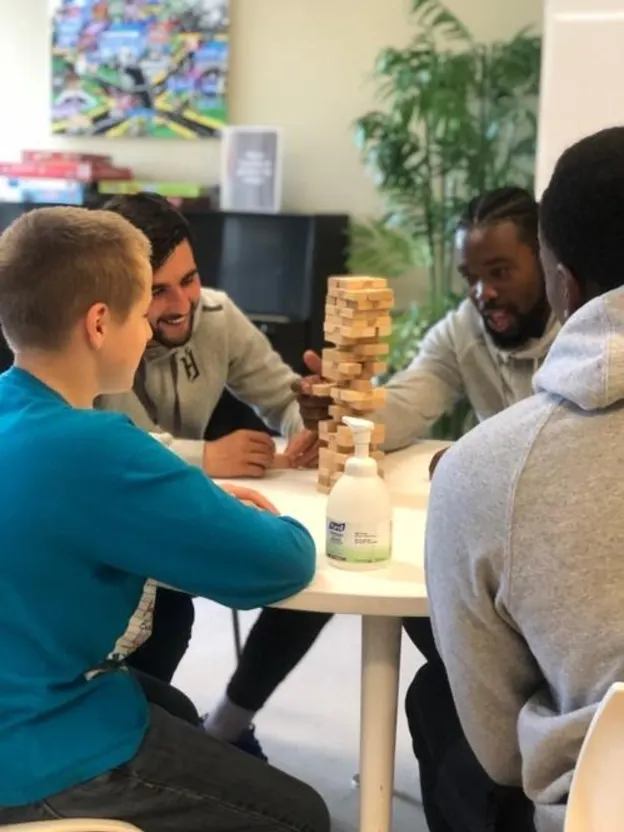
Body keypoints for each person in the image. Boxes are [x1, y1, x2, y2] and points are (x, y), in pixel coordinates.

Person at [101, 188, 558, 765]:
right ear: (112, 300)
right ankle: (143, 751)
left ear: (549, 266)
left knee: (315, 558)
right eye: (156, 291)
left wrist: (326, 411)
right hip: (126, 532)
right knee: (193, 604)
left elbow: (294, 400)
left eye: (187, 281)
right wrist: (211, 454)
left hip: (544, 547)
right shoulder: (96, 341)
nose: (482, 292)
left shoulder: (214, 318)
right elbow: (108, 453)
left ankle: (221, 729)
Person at [0, 205, 329, 832]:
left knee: (172, 706)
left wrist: (182, 497)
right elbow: (281, 561)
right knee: (302, 815)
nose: (151, 331)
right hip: (35, 751)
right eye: (140, 309)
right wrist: (198, 497)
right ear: (100, 323)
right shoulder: (98, 447)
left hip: (24, 695)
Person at [424, 125, 624, 832]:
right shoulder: (461, 335)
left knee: (443, 700)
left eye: (505, 270)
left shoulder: (483, 472)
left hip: (601, 805)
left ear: (561, 279)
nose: (485, 293)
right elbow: (410, 393)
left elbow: (502, 752)